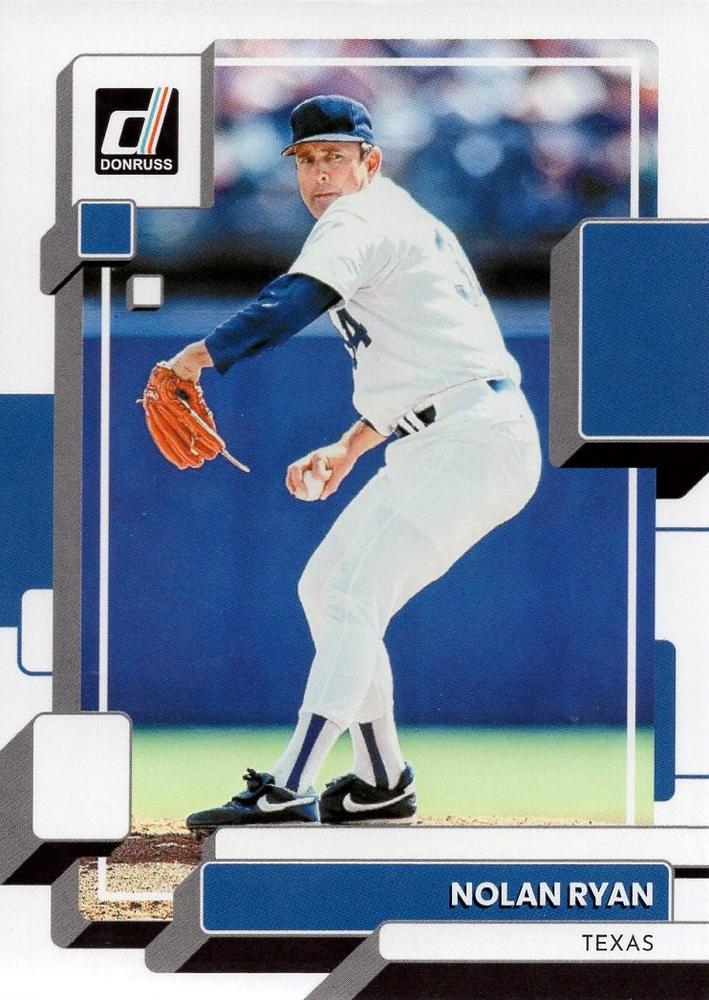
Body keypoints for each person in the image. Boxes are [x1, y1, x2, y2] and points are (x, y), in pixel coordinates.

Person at [170, 95, 542, 830]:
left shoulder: (359, 217)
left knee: (347, 594)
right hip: (456, 428)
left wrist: (199, 356)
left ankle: (288, 785)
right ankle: (381, 782)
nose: (320, 174)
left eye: (335, 157)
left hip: (468, 437)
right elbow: (430, 358)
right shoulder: (397, 215)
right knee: (329, 591)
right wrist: (350, 444)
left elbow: (292, 302)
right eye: (307, 159)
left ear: (370, 162)